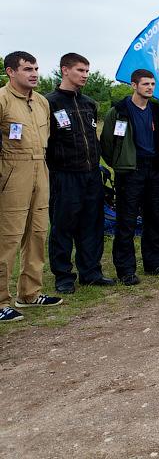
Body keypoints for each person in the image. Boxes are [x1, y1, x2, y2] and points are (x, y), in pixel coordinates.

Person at [0, 51, 62, 322]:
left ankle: (29, 292)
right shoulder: (2, 99)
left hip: (40, 168)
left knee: (38, 232)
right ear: (10, 72)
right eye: (27, 69)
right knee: (9, 237)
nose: (34, 73)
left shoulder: (41, 102)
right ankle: (0, 300)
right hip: (12, 170)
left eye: (36, 68)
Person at [44, 53, 114, 293]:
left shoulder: (89, 104)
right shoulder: (49, 103)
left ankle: (91, 272)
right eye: (80, 70)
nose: (85, 75)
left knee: (92, 225)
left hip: (91, 174)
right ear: (65, 70)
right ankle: (63, 276)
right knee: (63, 226)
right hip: (64, 174)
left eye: (87, 71)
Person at [100, 69, 159, 286]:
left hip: (153, 169)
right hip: (129, 172)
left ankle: (155, 263)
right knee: (127, 221)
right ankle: (126, 269)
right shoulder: (119, 111)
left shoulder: (155, 110)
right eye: (145, 84)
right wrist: (121, 163)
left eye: (152, 84)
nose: (150, 87)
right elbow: (106, 144)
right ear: (134, 85)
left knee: (155, 218)